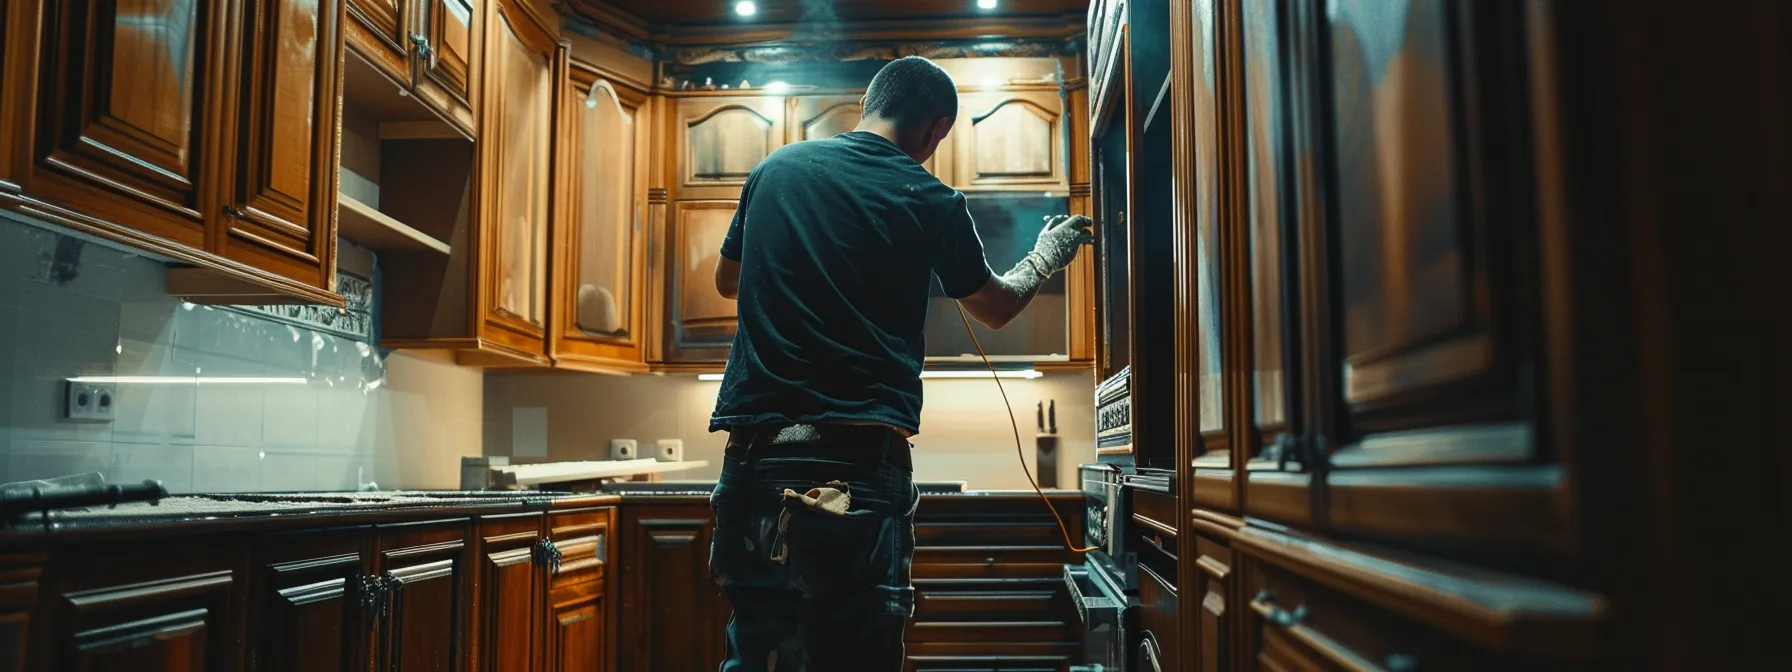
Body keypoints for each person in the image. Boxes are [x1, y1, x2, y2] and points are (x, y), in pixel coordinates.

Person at [706, 55, 1093, 672]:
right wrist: (1045, 255)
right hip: (854, 469)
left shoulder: (774, 169)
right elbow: (993, 307)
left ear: (867, 102)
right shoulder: (932, 198)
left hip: (753, 462)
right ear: (937, 130)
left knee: (758, 653)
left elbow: (727, 281)